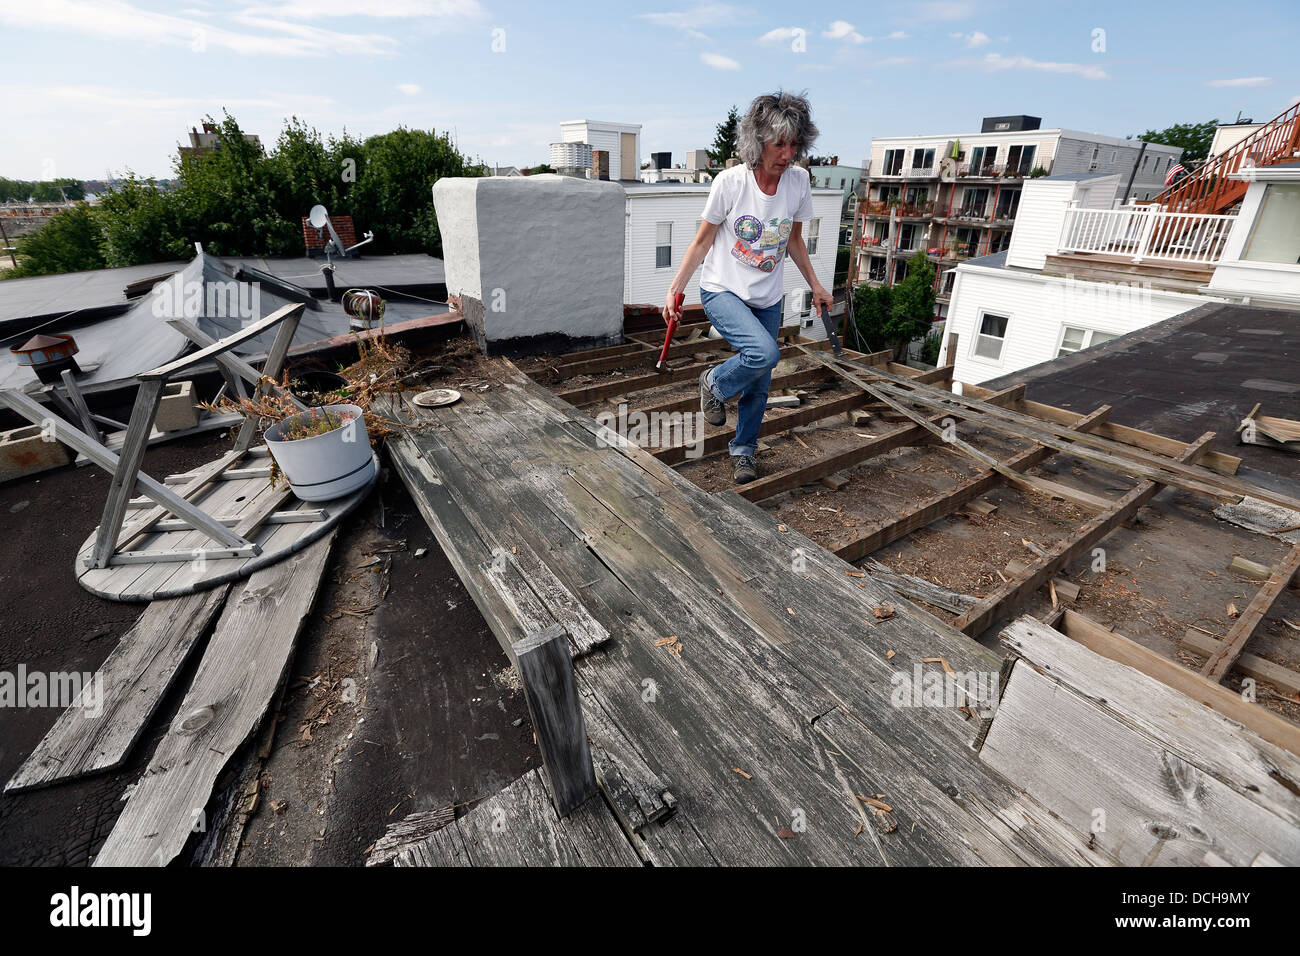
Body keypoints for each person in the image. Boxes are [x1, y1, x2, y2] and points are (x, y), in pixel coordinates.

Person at [662, 91, 833, 484]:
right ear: (758, 142)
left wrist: (818, 285)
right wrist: (676, 287)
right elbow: (702, 241)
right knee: (765, 352)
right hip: (723, 289)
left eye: (794, 143)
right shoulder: (731, 183)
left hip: (767, 296)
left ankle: (744, 452)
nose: (787, 153)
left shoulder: (798, 182)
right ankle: (714, 382)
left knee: (760, 381)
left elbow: (793, 240)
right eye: (779, 143)